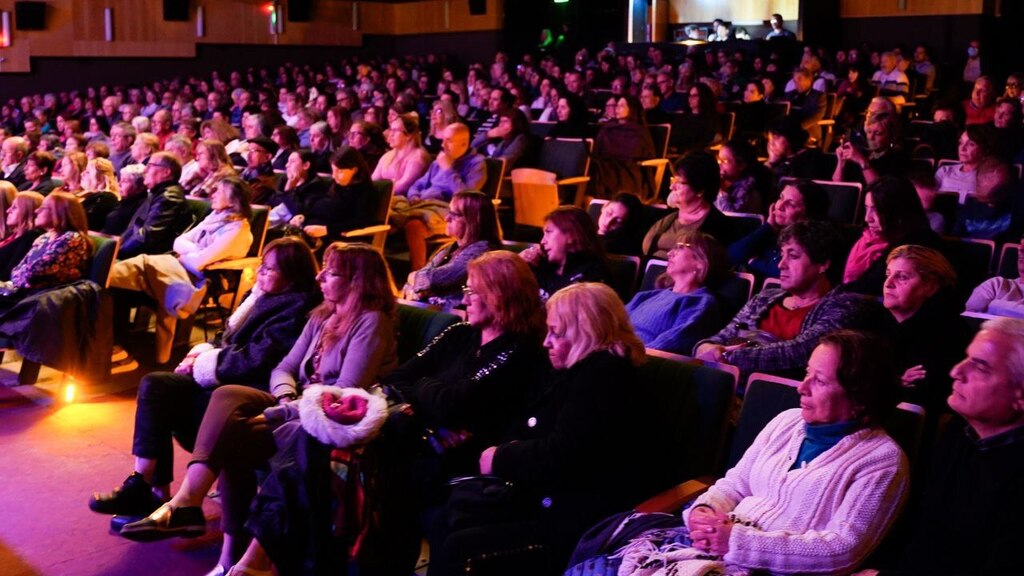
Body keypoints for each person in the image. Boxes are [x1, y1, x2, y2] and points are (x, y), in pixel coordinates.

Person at [117, 243, 398, 571]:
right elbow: (284, 366)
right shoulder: (323, 315)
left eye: (331, 272)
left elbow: (345, 390)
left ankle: (231, 558)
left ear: (357, 282)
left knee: (234, 437)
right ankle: (188, 502)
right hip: (295, 403)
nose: (320, 276)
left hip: (329, 420)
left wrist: (293, 407)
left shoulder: (371, 323)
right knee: (227, 395)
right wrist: (285, 398)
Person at [570, 330, 908, 576]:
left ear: (861, 398)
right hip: (709, 549)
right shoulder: (787, 422)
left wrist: (736, 542)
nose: (802, 387)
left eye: (819, 381)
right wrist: (704, 510)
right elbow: (734, 485)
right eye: (806, 373)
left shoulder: (881, 461)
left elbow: (841, 551)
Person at [87, 239, 321, 571]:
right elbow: (227, 337)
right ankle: (146, 487)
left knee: (206, 409)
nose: (261, 273)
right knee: (157, 384)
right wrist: (199, 353)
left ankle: (191, 516)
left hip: (247, 386)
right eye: (263, 266)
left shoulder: (296, 307)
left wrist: (207, 365)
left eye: (270, 269)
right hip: (225, 376)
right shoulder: (261, 296)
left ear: (294, 276)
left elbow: (260, 357)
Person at [428, 282, 653, 576]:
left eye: (556, 332)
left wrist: (500, 457)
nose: (546, 342)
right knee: (443, 516)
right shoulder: (574, 369)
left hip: (576, 520)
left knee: (461, 545)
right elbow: (527, 425)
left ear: (586, 332)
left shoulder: (605, 376)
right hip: (540, 496)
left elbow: (564, 454)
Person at [855, 318, 1024, 576]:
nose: (956, 371)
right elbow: (913, 527)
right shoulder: (958, 433)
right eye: (966, 357)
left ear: (1020, 396)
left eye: (981, 367)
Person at [695, 221, 875, 381]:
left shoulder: (843, 306)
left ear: (823, 264)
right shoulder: (764, 297)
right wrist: (704, 347)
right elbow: (719, 338)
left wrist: (728, 356)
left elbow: (799, 352)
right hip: (729, 383)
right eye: (782, 254)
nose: (781, 264)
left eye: (793, 256)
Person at [110, 176, 254, 363]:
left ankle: (103, 276)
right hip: (181, 267)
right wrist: (196, 251)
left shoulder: (237, 231)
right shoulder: (214, 217)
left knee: (144, 263)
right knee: (138, 271)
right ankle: (106, 282)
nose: (213, 194)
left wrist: (192, 254)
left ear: (233, 201)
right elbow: (179, 242)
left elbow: (198, 263)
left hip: (202, 279)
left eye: (219, 191)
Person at [881, 245, 968, 416]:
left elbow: (919, 400)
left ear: (931, 287)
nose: (888, 283)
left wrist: (885, 383)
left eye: (902, 277)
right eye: (887, 274)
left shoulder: (947, 335)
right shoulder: (876, 323)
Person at [399, 123, 487, 271]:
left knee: (413, 224)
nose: (443, 144)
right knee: (389, 212)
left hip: (449, 210)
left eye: (448, 140)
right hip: (423, 203)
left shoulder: (476, 164)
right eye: (443, 139)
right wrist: (414, 195)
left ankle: (418, 274)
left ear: (464, 143)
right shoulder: (438, 162)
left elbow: (465, 198)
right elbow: (417, 185)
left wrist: (448, 169)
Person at [626, 232, 728, 354]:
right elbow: (610, 323)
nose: (669, 253)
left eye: (679, 247)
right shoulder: (646, 296)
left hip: (637, 360)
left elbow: (672, 342)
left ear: (701, 262)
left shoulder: (700, 303)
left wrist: (629, 355)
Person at [842, 176, 942, 296]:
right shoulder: (865, 237)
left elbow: (872, 288)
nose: (867, 218)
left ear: (898, 210)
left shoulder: (918, 244)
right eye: (866, 208)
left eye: (876, 210)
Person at [403, 191, 501, 310]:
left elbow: (435, 279)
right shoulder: (449, 248)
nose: (446, 218)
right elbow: (414, 284)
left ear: (473, 220)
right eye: (449, 212)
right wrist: (416, 286)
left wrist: (415, 279)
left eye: (455, 214)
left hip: (453, 317)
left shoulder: (482, 251)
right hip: (432, 311)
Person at [643, 152, 742, 259]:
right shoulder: (665, 217)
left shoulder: (721, 229)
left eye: (679, 182)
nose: (672, 187)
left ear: (700, 190)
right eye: (673, 179)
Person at [0, 192, 91, 308]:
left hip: (40, 301)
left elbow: (33, 274)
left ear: (58, 212)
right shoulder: (44, 238)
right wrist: (19, 277)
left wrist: (19, 277)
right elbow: (16, 270)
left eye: (43, 208)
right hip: (22, 292)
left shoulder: (71, 239)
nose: (36, 211)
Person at [728, 179, 831, 279]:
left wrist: (754, 262)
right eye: (781, 198)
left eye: (791, 204)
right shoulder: (769, 232)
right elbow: (730, 256)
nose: (780, 206)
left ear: (808, 216)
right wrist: (768, 226)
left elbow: (786, 273)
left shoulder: (812, 242)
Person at [520, 206, 610, 301]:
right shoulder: (539, 264)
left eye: (549, 232)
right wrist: (519, 266)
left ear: (572, 235)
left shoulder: (593, 273)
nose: (542, 241)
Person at [118, 152, 191, 259]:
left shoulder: (169, 197)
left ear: (166, 172)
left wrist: (116, 253)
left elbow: (146, 237)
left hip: (151, 258)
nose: (145, 170)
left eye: (150, 166)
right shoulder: (158, 193)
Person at [588, 95, 656, 200]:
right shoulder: (608, 128)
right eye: (617, 105)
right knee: (593, 167)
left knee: (605, 173)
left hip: (628, 170)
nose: (617, 108)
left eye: (622, 106)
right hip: (606, 166)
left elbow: (639, 154)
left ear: (632, 109)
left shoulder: (639, 132)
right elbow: (598, 151)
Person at [372, 113, 431, 197]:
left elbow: (403, 187)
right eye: (391, 130)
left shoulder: (417, 157)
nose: (391, 134)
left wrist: (378, 191)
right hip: (384, 196)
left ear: (409, 136)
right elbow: (373, 180)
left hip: (403, 202)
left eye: (395, 131)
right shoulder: (387, 155)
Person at [933, 124, 997, 200]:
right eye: (960, 142)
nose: (962, 148)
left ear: (985, 149)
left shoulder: (989, 177)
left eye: (971, 144)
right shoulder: (945, 170)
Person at [966, 235, 1024, 317]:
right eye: (1020, 244)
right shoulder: (996, 285)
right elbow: (967, 319)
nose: (1020, 249)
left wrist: (995, 305)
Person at [715, 138, 769, 214]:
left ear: (741, 165)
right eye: (719, 160)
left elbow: (731, 217)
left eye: (725, 161)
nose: (719, 165)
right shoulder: (723, 184)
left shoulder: (747, 190)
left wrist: (722, 192)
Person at [0, 191, 44, 280]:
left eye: (14, 208)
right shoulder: (14, 236)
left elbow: (9, 274)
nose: (8, 211)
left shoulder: (30, 237)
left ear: (28, 212)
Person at [596, 191, 646, 256]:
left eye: (618, 221)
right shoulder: (586, 226)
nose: (608, 222)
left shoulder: (611, 248)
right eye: (609, 213)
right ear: (604, 206)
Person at [77, 157, 121, 231]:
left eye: (88, 172)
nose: (82, 174)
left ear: (101, 178)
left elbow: (87, 224)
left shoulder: (107, 198)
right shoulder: (90, 195)